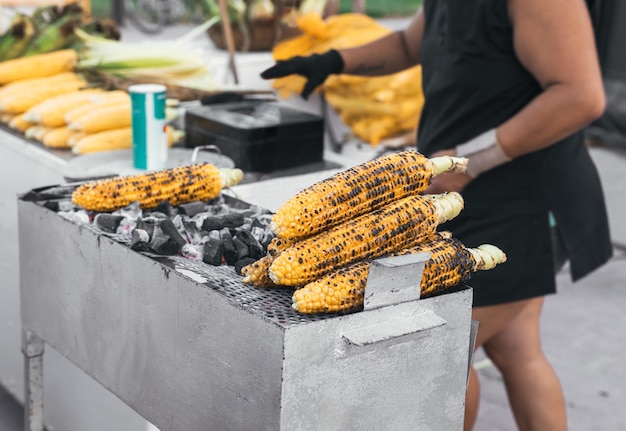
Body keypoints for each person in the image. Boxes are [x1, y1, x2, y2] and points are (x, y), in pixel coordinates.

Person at [261, 0, 613, 429]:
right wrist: (332, 60)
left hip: (525, 204)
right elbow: (410, 44)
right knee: (516, 350)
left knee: (441, 360)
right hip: (472, 197)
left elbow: (581, 96)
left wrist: (471, 159)